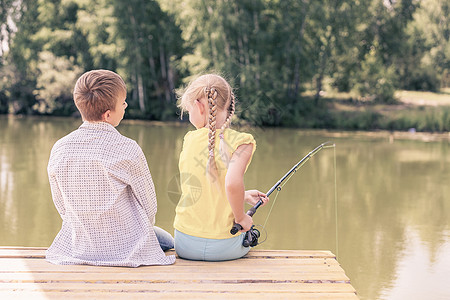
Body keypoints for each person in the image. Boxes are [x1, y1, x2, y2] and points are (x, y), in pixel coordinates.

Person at [46, 69, 175, 267]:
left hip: (80, 245)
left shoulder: (60, 148)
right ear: (108, 114)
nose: (126, 106)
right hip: (126, 246)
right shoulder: (127, 148)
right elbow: (149, 206)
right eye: (123, 103)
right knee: (169, 242)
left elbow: (61, 205)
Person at [173, 73, 269, 261]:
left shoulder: (189, 140)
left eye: (188, 109)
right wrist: (241, 218)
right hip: (224, 248)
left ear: (199, 107)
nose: (188, 114)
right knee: (250, 235)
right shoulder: (242, 142)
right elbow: (232, 183)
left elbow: (206, 188)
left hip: (184, 243)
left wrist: (243, 194)